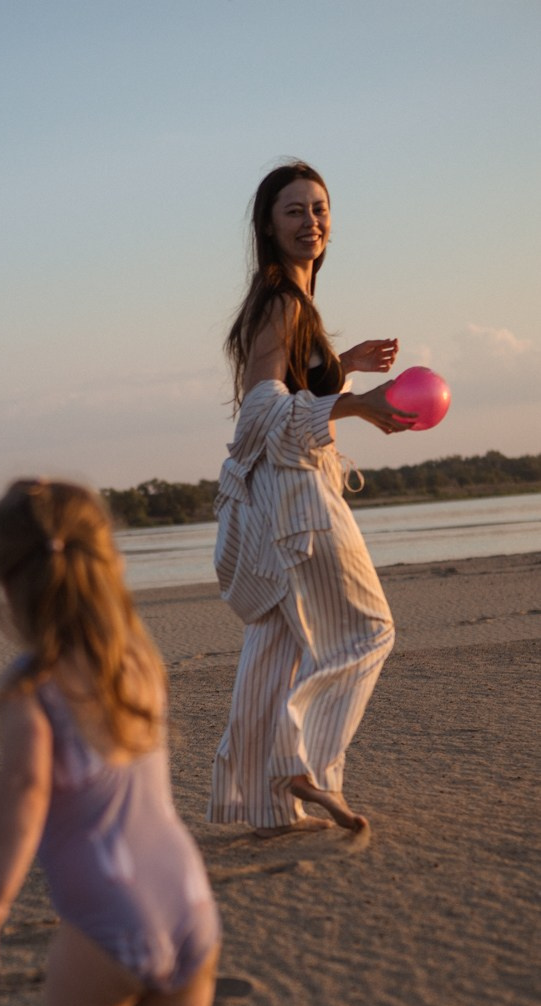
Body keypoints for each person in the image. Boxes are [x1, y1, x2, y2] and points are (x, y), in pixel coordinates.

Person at [0, 477, 330, 1006]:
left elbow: (31, 795)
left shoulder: (27, 688)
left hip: (106, 917)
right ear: (107, 565)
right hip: (186, 899)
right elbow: (97, 773)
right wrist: (32, 782)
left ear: (6, 583)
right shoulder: (136, 662)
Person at [209, 160, 415, 838]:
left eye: (319, 208)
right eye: (293, 210)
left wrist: (337, 364)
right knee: (366, 630)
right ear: (268, 225)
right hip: (296, 496)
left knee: (276, 644)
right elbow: (261, 408)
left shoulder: (287, 302)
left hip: (272, 498)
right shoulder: (282, 300)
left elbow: (285, 381)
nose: (311, 221)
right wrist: (352, 403)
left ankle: (267, 806)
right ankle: (303, 764)